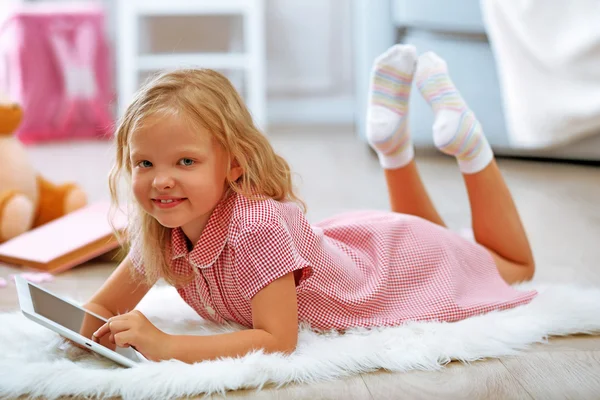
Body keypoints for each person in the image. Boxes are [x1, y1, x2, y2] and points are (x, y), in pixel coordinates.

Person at [87, 44, 537, 363]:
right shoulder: (162, 229)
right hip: (368, 247)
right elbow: (101, 309)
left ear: (235, 164)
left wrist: (167, 345)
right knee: (445, 241)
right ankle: (392, 148)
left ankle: (469, 146)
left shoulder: (255, 230)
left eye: (186, 161)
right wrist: (86, 332)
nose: (161, 181)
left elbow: (277, 340)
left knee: (513, 267)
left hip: (387, 271)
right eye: (144, 163)